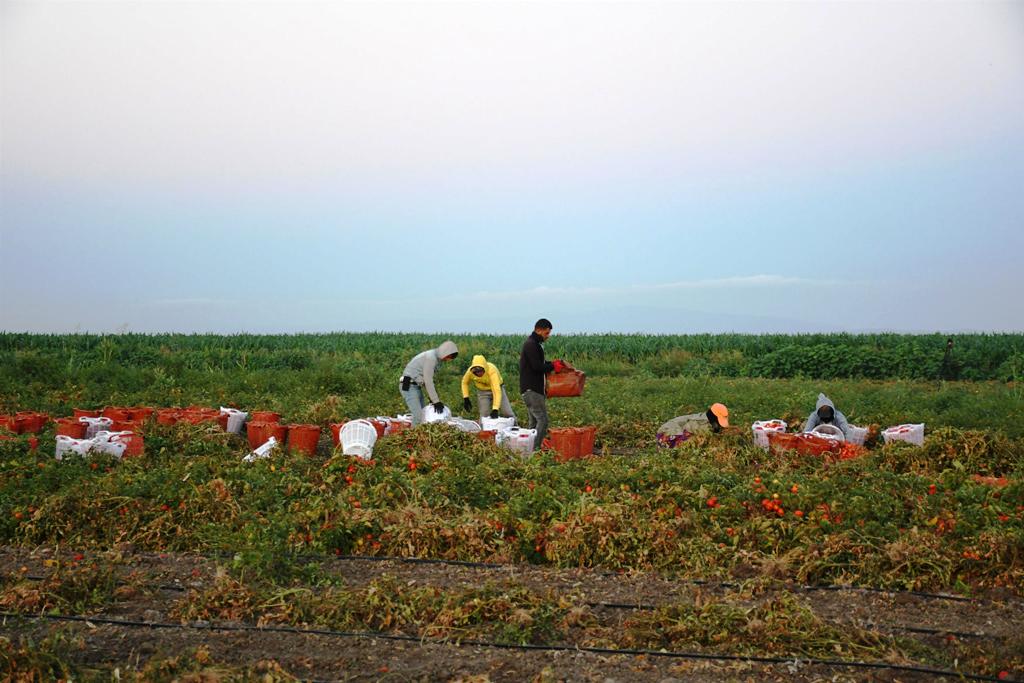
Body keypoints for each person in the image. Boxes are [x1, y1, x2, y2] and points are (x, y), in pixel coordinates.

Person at [519, 318, 567, 451]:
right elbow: (536, 366)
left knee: (534, 422)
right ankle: (535, 449)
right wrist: (552, 366)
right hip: (532, 390)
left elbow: (540, 363)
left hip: (531, 390)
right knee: (543, 420)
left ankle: (527, 449)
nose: (547, 336)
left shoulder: (535, 344)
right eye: (546, 333)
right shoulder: (531, 344)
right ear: (538, 330)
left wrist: (553, 363)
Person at [400, 341, 458, 426]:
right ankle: (413, 438)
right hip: (408, 385)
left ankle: (422, 437)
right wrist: (436, 401)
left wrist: (432, 398)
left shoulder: (435, 357)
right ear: (445, 352)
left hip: (416, 386)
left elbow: (425, 380)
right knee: (418, 416)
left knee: (424, 415)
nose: (447, 359)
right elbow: (428, 381)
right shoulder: (431, 358)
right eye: (448, 357)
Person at [461, 354, 515, 421]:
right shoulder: (470, 372)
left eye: (480, 371)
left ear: (484, 368)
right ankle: (484, 430)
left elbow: (496, 391)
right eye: (476, 371)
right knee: (484, 414)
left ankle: (515, 428)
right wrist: (466, 398)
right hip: (482, 391)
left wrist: (495, 409)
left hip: (497, 388)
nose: (479, 373)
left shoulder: (492, 371)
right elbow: (464, 383)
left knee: (507, 412)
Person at [656, 403, 729, 448]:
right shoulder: (700, 424)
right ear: (714, 417)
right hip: (667, 434)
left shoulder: (706, 417)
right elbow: (707, 435)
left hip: (672, 429)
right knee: (693, 441)